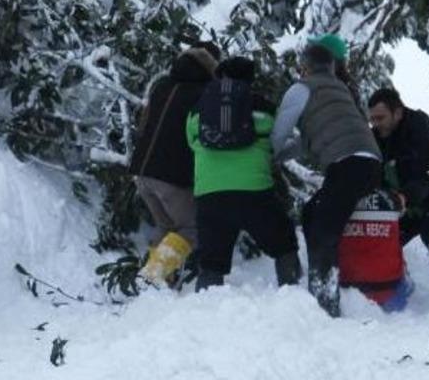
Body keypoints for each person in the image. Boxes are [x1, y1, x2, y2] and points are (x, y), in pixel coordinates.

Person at [272, 34, 382, 317]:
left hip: (347, 164)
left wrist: (267, 155)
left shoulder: (301, 89)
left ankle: (325, 302)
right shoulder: (340, 90)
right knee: (312, 212)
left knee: (323, 229)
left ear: (305, 67)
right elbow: (310, 143)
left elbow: (279, 135)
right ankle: (322, 285)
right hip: (370, 163)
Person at [186, 56, 301, 291]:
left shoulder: (197, 109)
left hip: (210, 193)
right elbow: (277, 137)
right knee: (284, 242)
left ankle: (203, 313)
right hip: (254, 192)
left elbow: (190, 141)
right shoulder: (263, 106)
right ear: (250, 79)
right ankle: (293, 293)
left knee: (212, 261)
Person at [130, 46, 218, 284]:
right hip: (171, 175)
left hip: (141, 170)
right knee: (191, 228)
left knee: (166, 226)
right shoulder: (204, 94)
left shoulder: (160, 87)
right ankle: (152, 277)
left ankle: (157, 285)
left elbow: (143, 124)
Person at [367, 88, 429, 294]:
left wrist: (404, 196)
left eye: (380, 118)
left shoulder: (422, 134)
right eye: (372, 119)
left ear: (398, 113)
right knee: (381, 238)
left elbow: (426, 177)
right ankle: (390, 289)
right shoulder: (376, 137)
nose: (376, 124)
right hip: (404, 203)